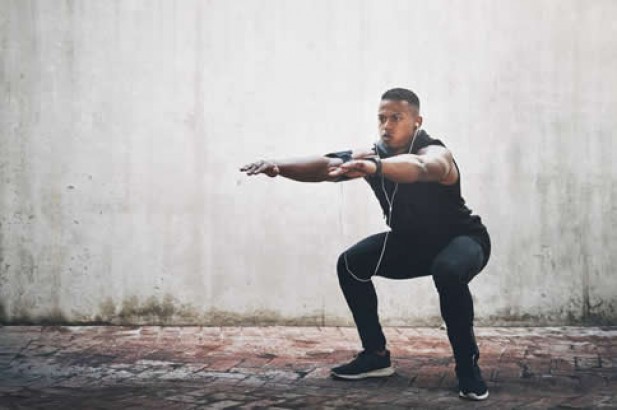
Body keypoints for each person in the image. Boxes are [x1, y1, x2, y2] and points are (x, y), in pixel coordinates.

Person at [240, 88, 491, 401]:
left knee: (448, 270)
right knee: (351, 264)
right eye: (382, 118)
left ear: (417, 122)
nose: (387, 125)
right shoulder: (372, 154)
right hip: (413, 244)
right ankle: (375, 355)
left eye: (396, 118)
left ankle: (467, 367)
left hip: (463, 239)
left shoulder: (435, 151)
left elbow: (423, 167)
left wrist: (377, 167)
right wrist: (278, 166)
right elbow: (327, 165)